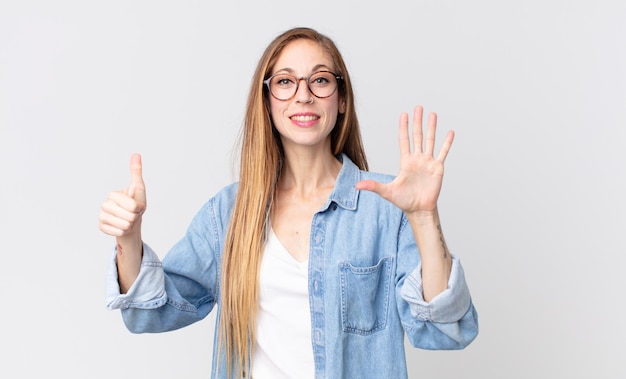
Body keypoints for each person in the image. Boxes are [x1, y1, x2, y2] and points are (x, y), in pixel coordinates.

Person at [99, 26, 478, 379]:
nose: (303, 94)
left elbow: (444, 330)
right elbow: (155, 312)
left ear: (341, 99)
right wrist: (129, 240)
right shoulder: (230, 212)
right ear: (266, 102)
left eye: (320, 80)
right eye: (284, 81)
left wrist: (425, 218)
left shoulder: (384, 206)